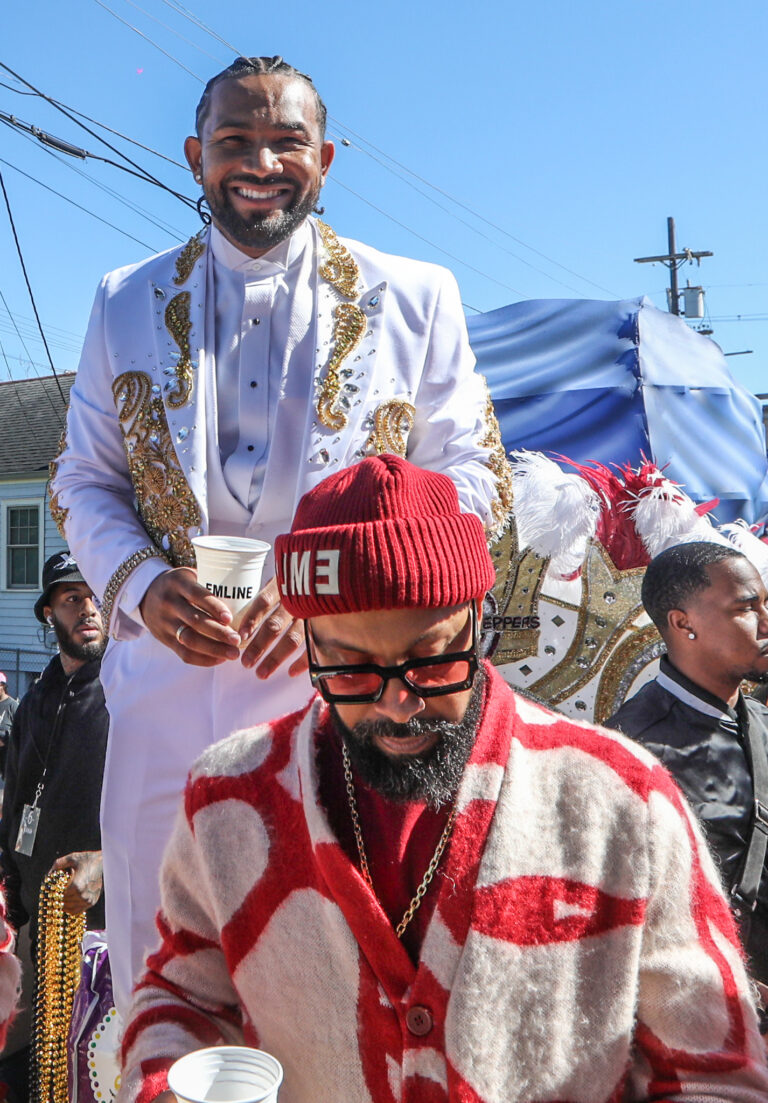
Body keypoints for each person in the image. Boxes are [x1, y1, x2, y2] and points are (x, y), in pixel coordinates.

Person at [49, 54, 510, 1011]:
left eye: (285, 140)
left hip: (343, 688)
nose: (259, 160)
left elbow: (478, 480)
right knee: (157, 950)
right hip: (161, 689)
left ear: (327, 158)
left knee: (331, 954)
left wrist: (329, 587)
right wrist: (137, 583)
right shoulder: (121, 298)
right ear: (194, 156)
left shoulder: (416, 297)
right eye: (233, 141)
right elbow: (81, 480)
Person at [118, 457, 767, 1103]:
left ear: (478, 620)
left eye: (431, 662)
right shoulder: (230, 797)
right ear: (308, 645)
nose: (397, 704)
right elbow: (179, 998)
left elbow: (718, 1075)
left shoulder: (625, 801)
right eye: (349, 670)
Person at [607, 541, 768, 1024]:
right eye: (746, 608)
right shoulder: (628, 752)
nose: (765, 622)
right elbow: (621, 920)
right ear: (683, 624)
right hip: (706, 1030)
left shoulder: (761, 719)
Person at [0, 552, 109, 953]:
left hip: (106, 929)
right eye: (72, 599)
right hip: (40, 925)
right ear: (49, 614)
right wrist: (12, 899)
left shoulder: (127, 692)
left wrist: (107, 864)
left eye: (96, 597)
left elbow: (160, 808)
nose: (88, 610)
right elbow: (15, 800)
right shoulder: (34, 700)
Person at [0, 675, 18, 779]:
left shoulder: (12, 705)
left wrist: (4, 739)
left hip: (6, 751)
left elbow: (19, 730)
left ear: (3, 686)